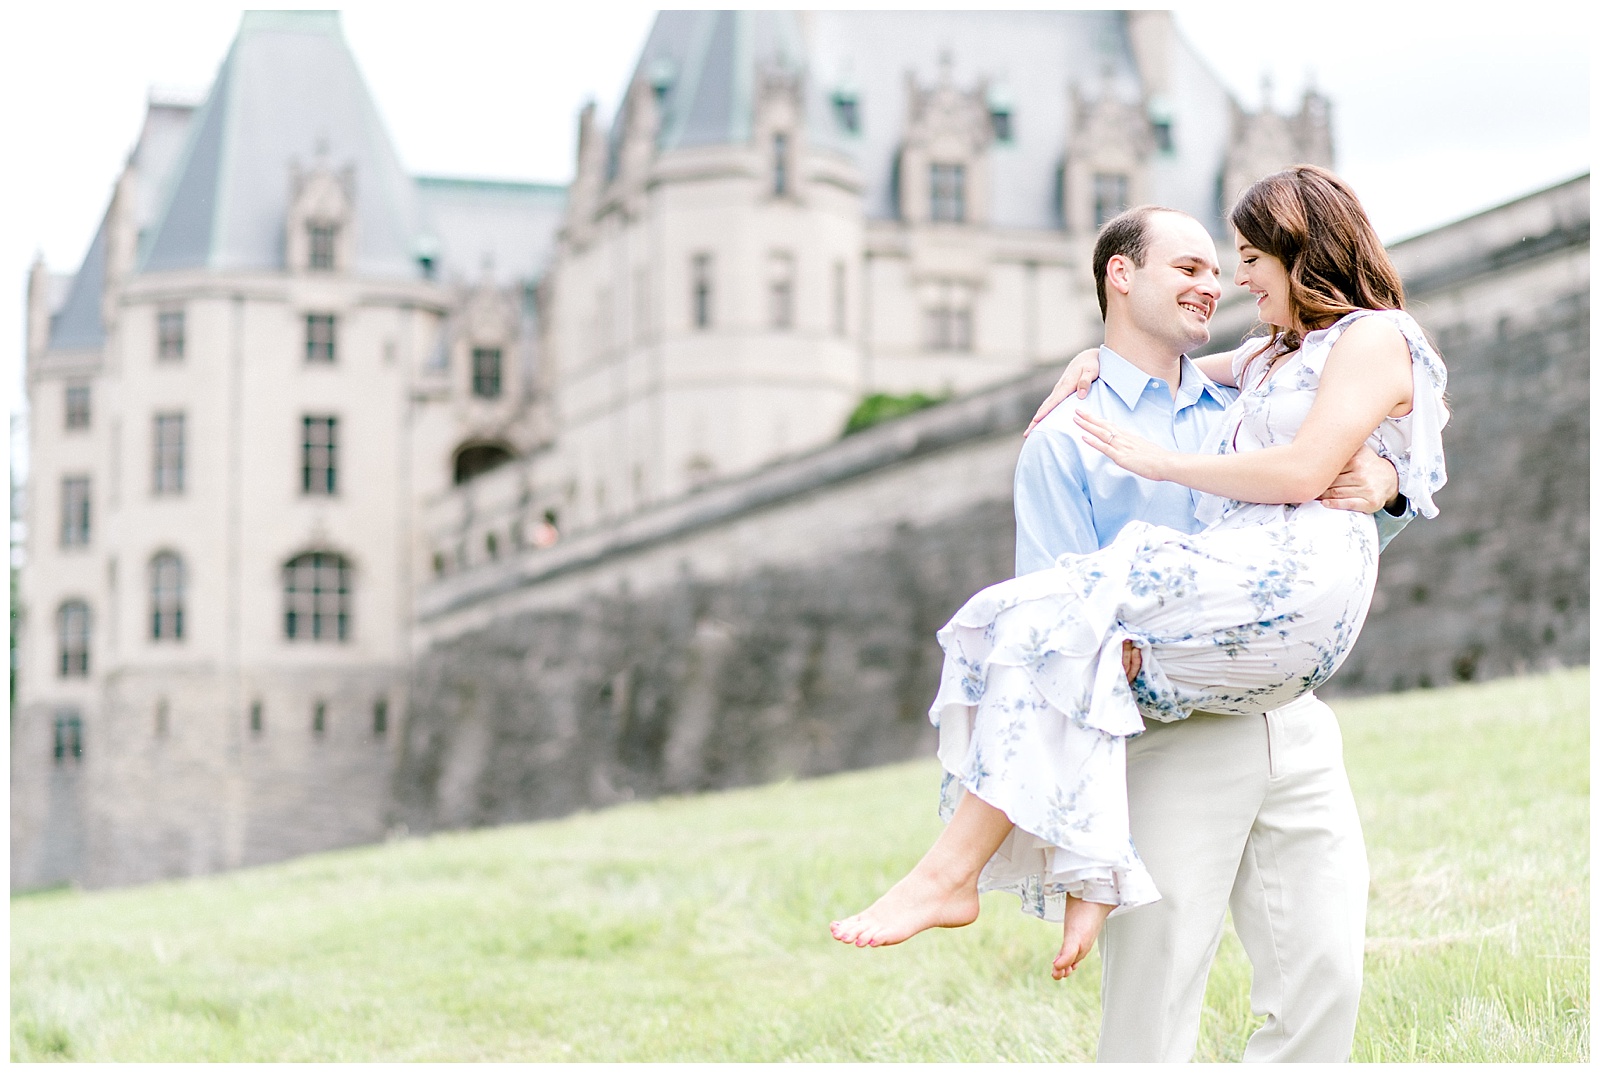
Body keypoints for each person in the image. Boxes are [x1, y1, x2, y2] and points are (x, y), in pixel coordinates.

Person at [830, 165, 1447, 1062]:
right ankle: (953, 870)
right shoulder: (1065, 438)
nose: (1221, 283)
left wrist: (1390, 486)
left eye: (1230, 263)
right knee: (1151, 1020)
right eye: (1190, 266)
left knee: (1325, 985)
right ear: (1121, 276)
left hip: (1290, 717)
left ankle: (950, 872)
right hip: (1172, 737)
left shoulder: (1253, 387)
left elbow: (1371, 450)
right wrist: (1093, 842)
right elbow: (1059, 652)